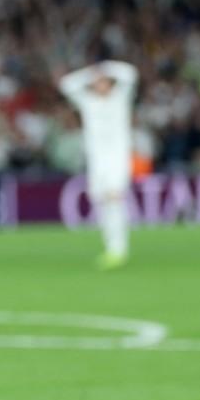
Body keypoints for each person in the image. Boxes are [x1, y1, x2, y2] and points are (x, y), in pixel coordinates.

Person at [58, 60, 139, 268]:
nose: (99, 85)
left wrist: (107, 67)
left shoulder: (119, 98)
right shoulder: (89, 102)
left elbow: (131, 74)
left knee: (115, 200)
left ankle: (118, 249)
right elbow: (66, 85)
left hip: (117, 160)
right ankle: (111, 247)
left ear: (110, 83)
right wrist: (90, 73)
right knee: (102, 203)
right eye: (97, 82)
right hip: (97, 162)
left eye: (103, 81)